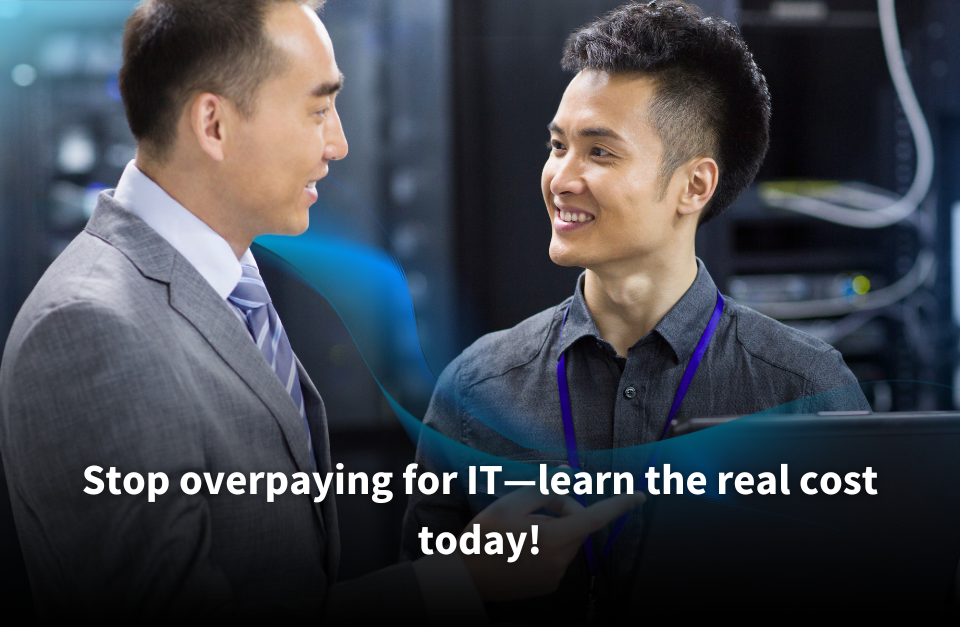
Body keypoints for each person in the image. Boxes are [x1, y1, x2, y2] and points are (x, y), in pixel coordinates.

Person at [0, 0, 644, 622]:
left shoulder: (228, 284)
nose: (337, 144)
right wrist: (460, 583)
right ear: (213, 125)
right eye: (318, 110)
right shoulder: (92, 326)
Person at [401, 0, 871, 622]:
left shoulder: (807, 392)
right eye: (558, 145)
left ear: (694, 186)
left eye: (599, 153)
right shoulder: (475, 390)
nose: (560, 178)